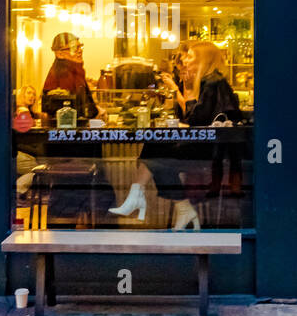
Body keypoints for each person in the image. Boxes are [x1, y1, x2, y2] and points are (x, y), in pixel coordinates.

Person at [109, 40, 242, 231]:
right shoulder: (207, 81)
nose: (185, 60)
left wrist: (183, 95)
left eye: (190, 56)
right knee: (154, 146)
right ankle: (149, 198)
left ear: (203, 60)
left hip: (209, 150)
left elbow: (197, 118)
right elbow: (194, 117)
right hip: (205, 144)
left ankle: (142, 196)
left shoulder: (213, 82)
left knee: (155, 158)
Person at [40, 32, 101, 123]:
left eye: (80, 46)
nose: (80, 50)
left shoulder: (75, 71)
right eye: (74, 48)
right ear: (60, 54)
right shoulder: (62, 75)